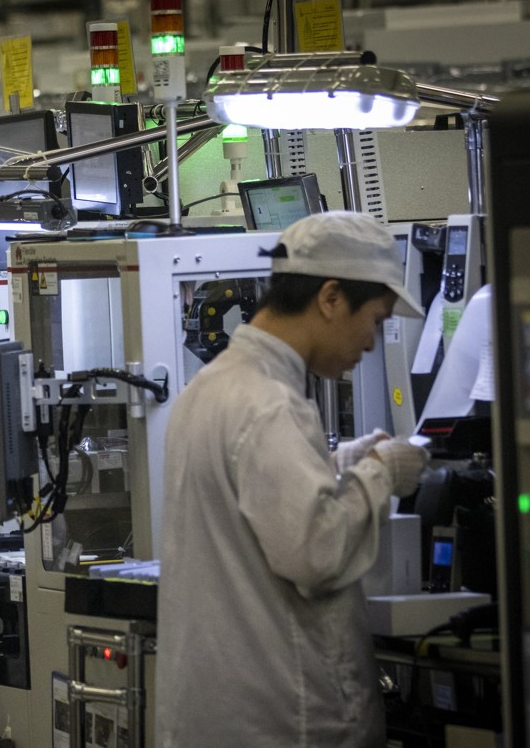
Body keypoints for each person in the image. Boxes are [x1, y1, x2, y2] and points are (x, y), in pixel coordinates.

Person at [155, 211, 432, 747]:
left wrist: (340, 465)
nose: (372, 344)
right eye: (373, 320)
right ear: (330, 298)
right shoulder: (271, 404)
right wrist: (381, 473)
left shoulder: (211, 389)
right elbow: (316, 550)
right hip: (284, 720)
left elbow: (255, 500)